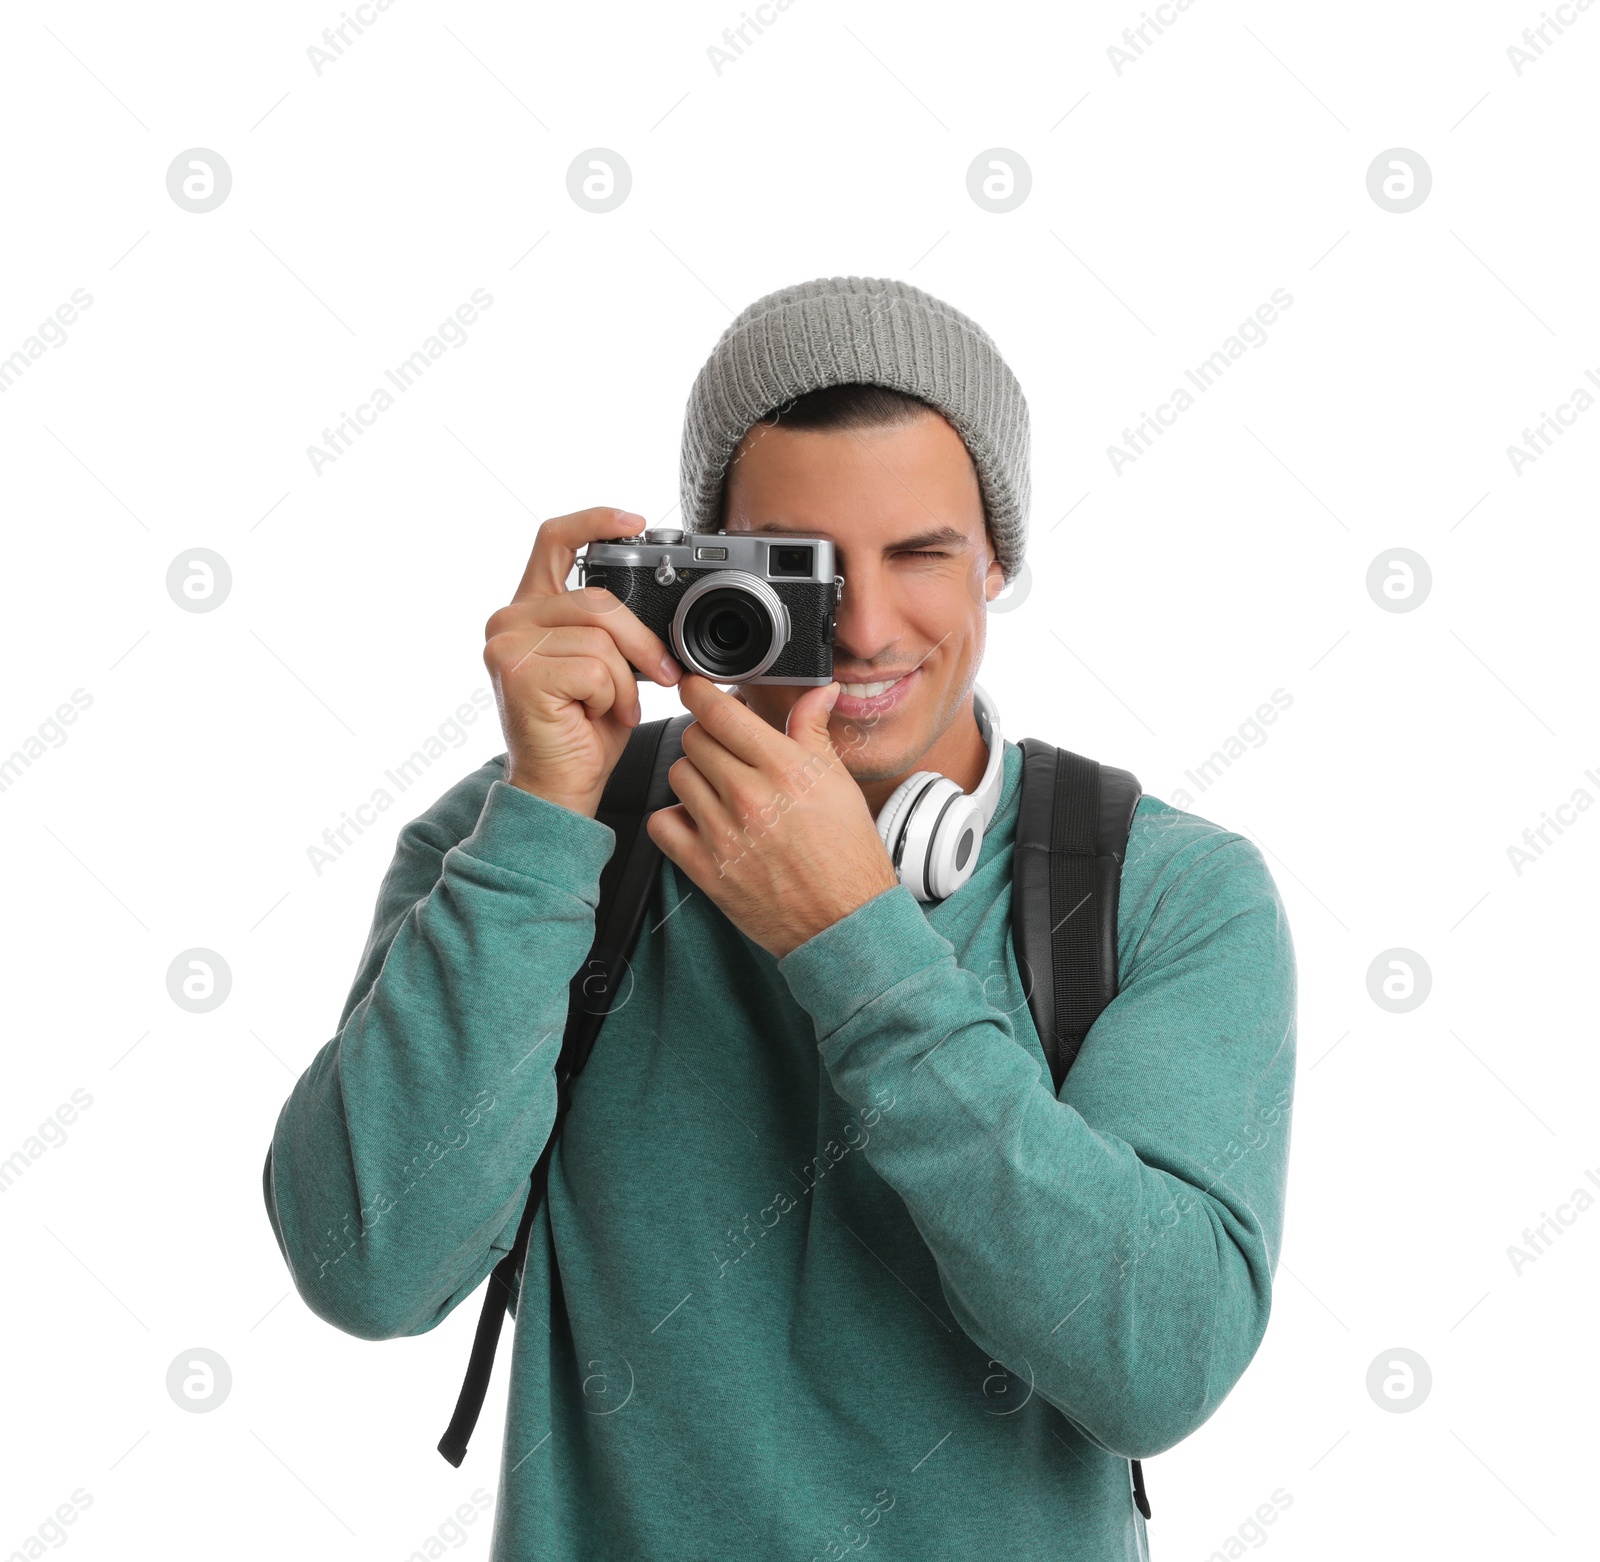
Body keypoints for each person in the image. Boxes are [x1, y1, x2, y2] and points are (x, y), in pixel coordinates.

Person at [262, 275, 1297, 1560]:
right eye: (801, 567)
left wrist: (851, 937)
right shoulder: (540, 837)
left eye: (919, 553)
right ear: (704, 565)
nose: (863, 629)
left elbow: (1158, 1361)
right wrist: (541, 819)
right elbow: (364, 1267)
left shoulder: (1163, 889)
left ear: (998, 559)